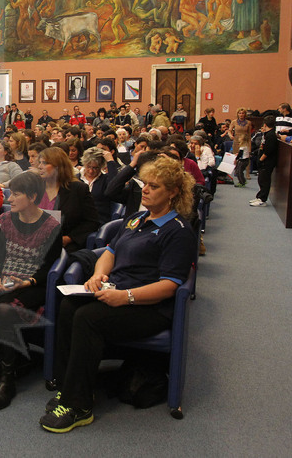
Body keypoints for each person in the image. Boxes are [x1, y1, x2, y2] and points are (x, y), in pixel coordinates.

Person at [39, 157, 196, 433]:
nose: (144, 190)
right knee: (68, 306)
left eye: (154, 186)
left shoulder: (178, 231)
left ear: (172, 192)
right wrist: (99, 274)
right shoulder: (136, 219)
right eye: (145, 184)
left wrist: (126, 297)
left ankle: (80, 406)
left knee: (88, 317)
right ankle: (68, 388)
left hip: (149, 306)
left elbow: (170, 286)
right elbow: (109, 252)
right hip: (118, 292)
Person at [0, 172, 62, 410]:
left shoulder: (52, 226)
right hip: (4, 278)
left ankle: (7, 381)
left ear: (32, 197)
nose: (11, 199)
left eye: (17, 194)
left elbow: (50, 267)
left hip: (32, 284)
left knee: (6, 311)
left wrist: (26, 282)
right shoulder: (6, 220)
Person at [36, 147, 100, 254]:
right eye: (40, 163)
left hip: (64, 246)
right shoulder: (36, 188)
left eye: (44, 163)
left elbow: (92, 222)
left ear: (58, 167)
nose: (39, 167)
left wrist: (69, 238)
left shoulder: (78, 189)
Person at [80, 146, 120, 224]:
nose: (91, 171)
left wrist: (110, 161)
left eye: (95, 168)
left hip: (97, 221)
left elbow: (115, 184)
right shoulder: (76, 179)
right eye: (88, 167)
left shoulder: (105, 180)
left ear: (101, 167)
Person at [250, 115, 277, 207]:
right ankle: (259, 196)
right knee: (261, 179)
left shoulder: (271, 135)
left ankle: (263, 199)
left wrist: (261, 160)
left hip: (267, 162)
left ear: (265, 124)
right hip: (263, 161)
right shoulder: (266, 134)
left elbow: (268, 150)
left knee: (265, 181)